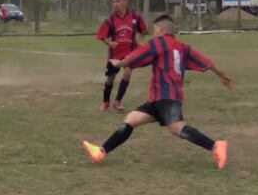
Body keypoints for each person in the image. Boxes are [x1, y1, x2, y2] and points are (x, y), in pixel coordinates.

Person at [82, 14, 235, 169]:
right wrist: (221, 74)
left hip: (166, 96)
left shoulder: (158, 43)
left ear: (161, 29)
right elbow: (206, 62)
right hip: (159, 98)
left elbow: (136, 56)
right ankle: (101, 152)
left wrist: (119, 63)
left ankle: (216, 146)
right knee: (131, 119)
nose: (153, 33)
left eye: (155, 29)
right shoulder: (182, 47)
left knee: (177, 128)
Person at [95, 0, 147, 112]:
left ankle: (118, 101)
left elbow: (143, 31)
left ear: (124, 2)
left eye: (118, 1)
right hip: (115, 54)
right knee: (110, 78)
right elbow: (101, 36)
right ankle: (106, 102)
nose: (115, 4)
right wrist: (110, 43)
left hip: (130, 53)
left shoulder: (135, 17)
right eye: (113, 2)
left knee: (127, 73)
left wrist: (139, 41)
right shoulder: (110, 19)